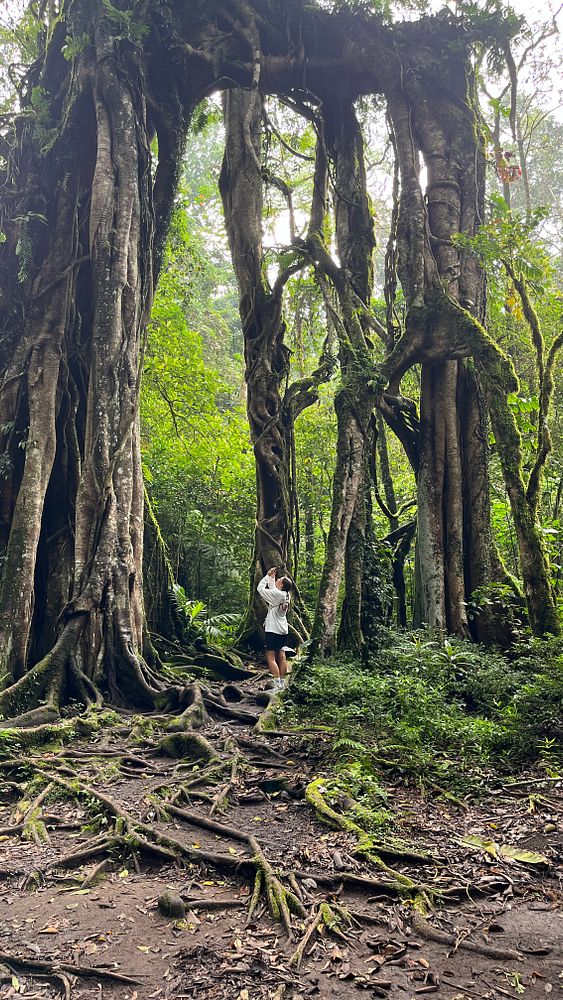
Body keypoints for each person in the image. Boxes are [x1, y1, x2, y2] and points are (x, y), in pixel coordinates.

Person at [257, 567, 293, 691]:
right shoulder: (286, 595)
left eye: (279, 580)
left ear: (282, 584)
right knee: (281, 654)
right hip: (283, 629)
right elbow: (273, 591)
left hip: (273, 630)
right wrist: (272, 578)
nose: (277, 580)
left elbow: (260, 589)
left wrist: (267, 576)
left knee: (270, 656)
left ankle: (277, 684)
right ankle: (282, 682)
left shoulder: (278, 594)